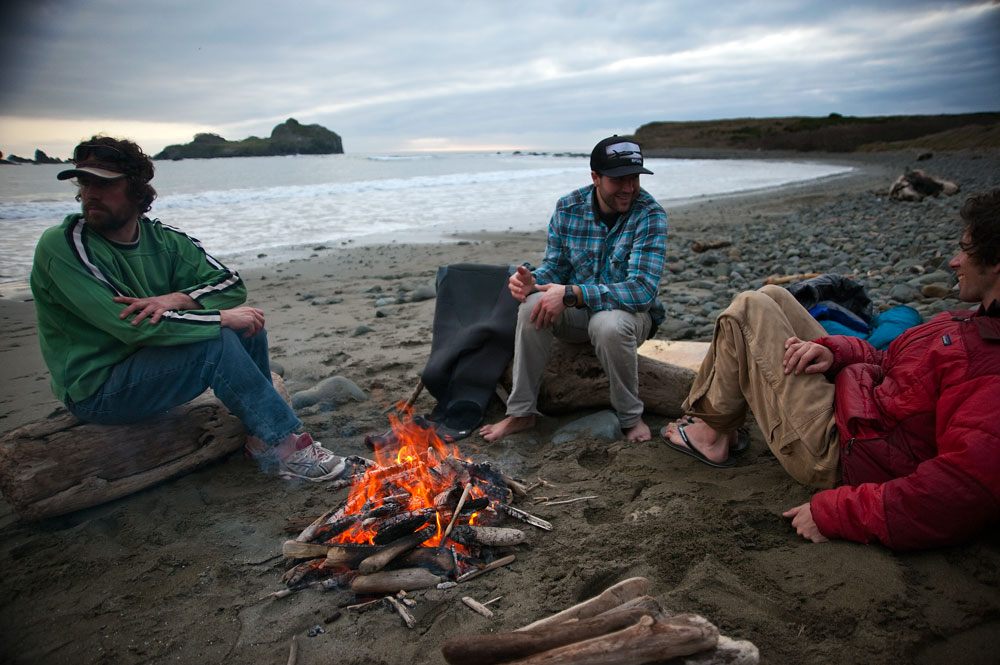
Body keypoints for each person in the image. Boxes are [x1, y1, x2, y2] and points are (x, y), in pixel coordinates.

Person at [660, 189, 1000, 550]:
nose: (953, 261)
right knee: (774, 296)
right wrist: (834, 352)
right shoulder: (972, 323)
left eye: (964, 248)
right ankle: (717, 427)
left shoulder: (990, 368)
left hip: (843, 452)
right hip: (861, 411)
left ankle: (711, 436)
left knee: (748, 309)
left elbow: (957, 493)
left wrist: (834, 514)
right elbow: (891, 363)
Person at [30, 135, 342, 481]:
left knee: (246, 326)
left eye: (104, 183)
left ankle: (261, 441)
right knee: (217, 340)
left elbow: (231, 284)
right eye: (84, 182)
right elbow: (131, 325)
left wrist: (178, 299)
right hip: (99, 389)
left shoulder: (163, 240)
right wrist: (219, 317)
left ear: (136, 189)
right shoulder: (64, 245)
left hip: (152, 368)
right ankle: (287, 447)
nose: (90, 193)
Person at [479, 136, 667, 443]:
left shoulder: (650, 214)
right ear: (595, 177)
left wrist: (574, 294)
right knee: (531, 305)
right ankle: (521, 413)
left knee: (607, 324)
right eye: (619, 180)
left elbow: (642, 290)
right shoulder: (568, 208)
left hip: (630, 318)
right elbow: (556, 270)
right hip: (577, 315)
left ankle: (630, 417)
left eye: (634, 178)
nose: (629, 188)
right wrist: (533, 283)